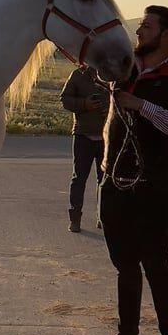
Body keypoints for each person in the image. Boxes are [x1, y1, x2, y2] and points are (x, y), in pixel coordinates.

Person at [89, 5, 168, 335]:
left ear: (166, 35)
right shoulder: (125, 69)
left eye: (146, 27)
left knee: (155, 264)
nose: (138, 32)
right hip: (114, 184)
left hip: (153, 188)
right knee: (125, 265)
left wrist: (142, 105)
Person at [60, 65, 109, 232]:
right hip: (83, 135)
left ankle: (103, 218)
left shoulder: (111, 73)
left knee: (105, 180)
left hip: (106, 137)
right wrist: (84, 104)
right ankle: (75, 219)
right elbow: (65, 99)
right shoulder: (78, 75)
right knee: (79, 179)